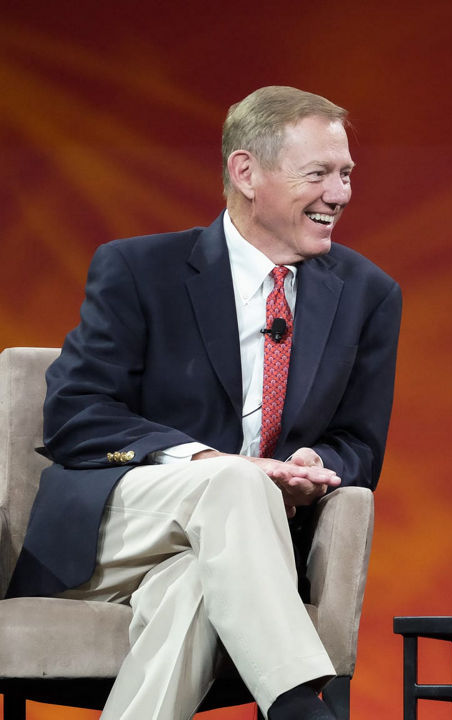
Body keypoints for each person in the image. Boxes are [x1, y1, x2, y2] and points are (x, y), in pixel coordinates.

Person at [5, 86, 401, 720]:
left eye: (346, 173)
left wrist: (312, 462)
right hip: (116, 529)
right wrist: (210, 463)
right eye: (319, 173)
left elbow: (359, 443)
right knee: (232, 483)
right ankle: (303, 703)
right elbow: (77, 414)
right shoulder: (140, 269)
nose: (340, 193)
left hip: (242, 552)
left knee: (197, 584)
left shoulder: (368, 295)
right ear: (247, 172)